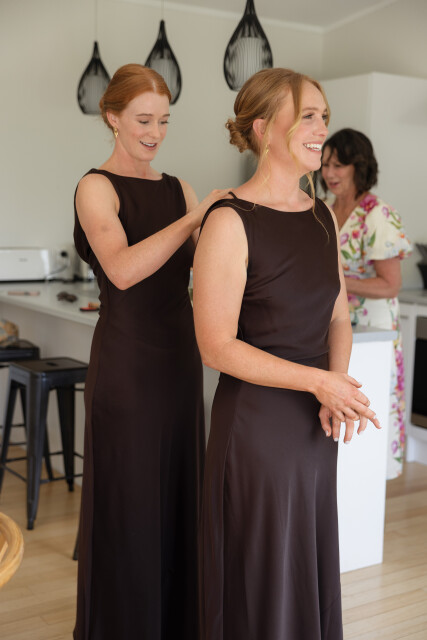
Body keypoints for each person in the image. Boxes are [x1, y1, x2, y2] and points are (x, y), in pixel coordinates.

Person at [193, 69, 380, 640]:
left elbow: (339, 315)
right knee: (259, 577)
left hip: (313, 426)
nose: (322, 129)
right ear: (262, 128)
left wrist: (336, 386)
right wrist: (319, 383)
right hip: (256, 430)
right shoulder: (229, 220)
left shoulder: (322, 215)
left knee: (303, 564)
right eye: (308, 116)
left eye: (324, 116)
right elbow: (215, 346)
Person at [73, 63, 229, 640]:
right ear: (112, 117)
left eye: (164, 120)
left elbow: (208, 267)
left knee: (179, 493)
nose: (155, 132)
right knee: (131, 500)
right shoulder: (96, 187)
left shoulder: (178, 187)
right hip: (127, 364)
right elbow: (122, 269)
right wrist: (195, 216)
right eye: (143, 120)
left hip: (180, 362)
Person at [320, 128, 412, 479]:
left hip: (374, 328)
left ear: (359, 166)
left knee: (366, 400)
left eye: (338, 165)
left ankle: (368, 480)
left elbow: (390, 284)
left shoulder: (378, 215)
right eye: (325, 164)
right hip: (334, 323)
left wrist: (338, 283)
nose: (329, 173)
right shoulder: (323, 210)